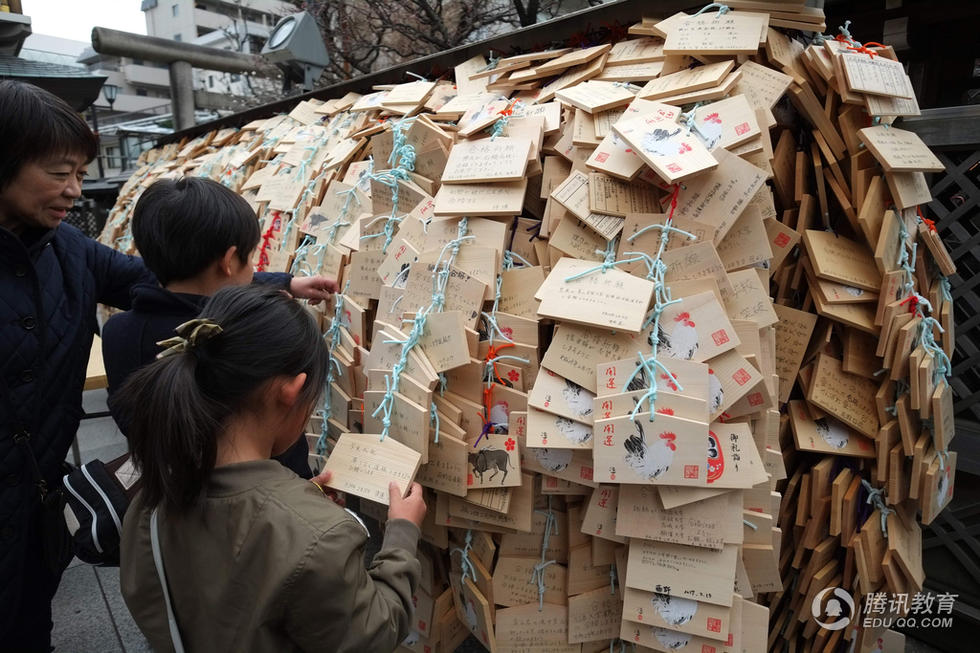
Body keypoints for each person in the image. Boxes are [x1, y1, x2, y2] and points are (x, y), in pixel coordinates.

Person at [115, 285, 426, 652]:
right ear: (292, 392)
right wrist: (402, 534)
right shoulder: (321, 536)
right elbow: (373, 634)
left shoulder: (151, 492)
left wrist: (297, 508)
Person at [0, 79, 157, 649]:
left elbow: (165, 281)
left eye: (81, 175)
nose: (74, 191)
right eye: (58, 172)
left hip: (38, 505)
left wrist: (274, 284)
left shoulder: (70, 249)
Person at [101, 176, 337, 478]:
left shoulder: (118, 333)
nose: (254, 271)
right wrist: (307, 493)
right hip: (264, 506)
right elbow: (276, 439)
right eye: (250, 258)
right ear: (228, 261)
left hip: (167, 497)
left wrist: (286, 282)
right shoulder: (246, 333)